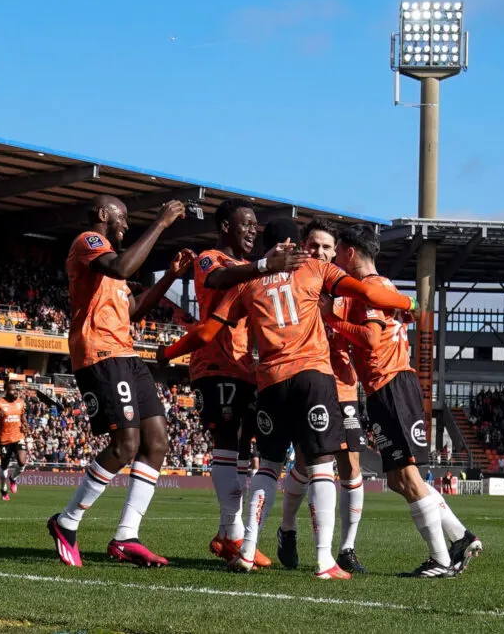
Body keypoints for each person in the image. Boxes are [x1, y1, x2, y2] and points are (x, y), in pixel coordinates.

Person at [165, 218, 416, 578]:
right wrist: (409, 301)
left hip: (269, 382)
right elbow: (370, 294)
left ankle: (248, 552)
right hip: (312, 377)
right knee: (321, 467)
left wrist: (167, 354)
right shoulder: (315, 268)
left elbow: (205, 331)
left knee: (267, 467)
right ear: (292, 242)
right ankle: (325, 560)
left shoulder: (246, 281)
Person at [326, 223, 482, 577]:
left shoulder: (372, 288)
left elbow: (371, 340)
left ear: (350, 252)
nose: (335, 258)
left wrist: (333, 323)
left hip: (392, 385)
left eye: (337, 251)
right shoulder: (380, 288)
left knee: (408, 476)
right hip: (387, 388)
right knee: (398, 479)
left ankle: (442, 560)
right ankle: (461, 537)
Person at [46, 196, 193, 569]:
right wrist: (160, 223)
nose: (126, 222)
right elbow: (123, 267)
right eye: (122, 216)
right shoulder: (89, 243)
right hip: (100, 353)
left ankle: (126, 536)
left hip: (126, 353)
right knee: (125, 444)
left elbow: (133, 310)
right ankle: (67, 522)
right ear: (102, 215)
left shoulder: (111, 261)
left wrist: (171, 278)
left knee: (156, 440)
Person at [183, 198, 281, 568]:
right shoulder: (210, 258)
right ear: (226, 227)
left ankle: (227, 534)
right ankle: (238, 536)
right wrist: (263, 266)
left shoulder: (248, 268)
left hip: (243, 366)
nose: (253, 231)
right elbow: (217, 280)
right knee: (226, 444)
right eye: (247, 224)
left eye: (256, 226)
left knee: (243, 449)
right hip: (215, 363)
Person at [280, 218, 367, 574]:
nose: (319, 252)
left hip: (342, 386)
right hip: (303, 380)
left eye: (326, 247)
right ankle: (287, 527)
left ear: (336, 253)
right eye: (313, 246)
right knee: (306, 461)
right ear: (302, 246)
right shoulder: (291, 282)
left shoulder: (347, 291)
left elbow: (367, 337)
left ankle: (345, 548)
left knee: (350, 465)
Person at [0, 382, 26, 500]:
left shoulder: (20, 402)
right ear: (6, 390)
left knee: (22, 462)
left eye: (16, 390)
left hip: (18, 437)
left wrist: (25, 424)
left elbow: (22, 416)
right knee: (4, 466)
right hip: (4, 440)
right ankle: (4, 489)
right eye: (12, 390)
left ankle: (13, 478)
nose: (15, 392)